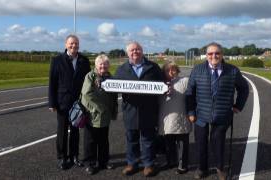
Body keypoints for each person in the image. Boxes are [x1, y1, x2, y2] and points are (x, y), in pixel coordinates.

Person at [186, 42, 249, 180]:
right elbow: (189, 92)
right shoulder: (197, 70)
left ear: (222, 54)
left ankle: (220, 168)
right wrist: (190, 112)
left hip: (222, 114)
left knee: (218, 142)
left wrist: (238, 105)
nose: (213, 56)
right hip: (201, 114)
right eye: (210, 53)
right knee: (201, 143)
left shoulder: (232, 71)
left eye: (217, 53)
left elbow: (244, 88)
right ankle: (202, 168)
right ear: (206, 55)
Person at [115, 41, 163, 177]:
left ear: (142, 51)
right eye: (132, 50)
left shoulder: (153, 67)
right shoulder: (122, 69)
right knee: (131, 139)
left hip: (149, 110)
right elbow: (114, 86)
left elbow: (162, 85)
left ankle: (148, 164)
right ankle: (132, 163)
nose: (135, 52)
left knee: (148, 139)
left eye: (137, 49)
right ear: (127, 53)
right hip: (130, 110)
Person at [48, 34, 90, 170]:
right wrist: (52, 103)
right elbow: (52, 83)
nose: (74, 46)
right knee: (62, 132)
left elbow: (88, 81)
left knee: (75, 131)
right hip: (62, 102)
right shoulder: (57, 60)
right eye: (71, 43)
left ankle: (74, 156)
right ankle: (62, 157)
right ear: (66, 45)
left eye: (76, 43)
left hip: (78, 103)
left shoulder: (84, 60)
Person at [80, 54, 118, 175]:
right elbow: (86, 94)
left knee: (104, 140)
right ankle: (90, 163)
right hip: (92, 114)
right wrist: (99, 108)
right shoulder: (90, 76)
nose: (103, 66)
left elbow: (113, 96)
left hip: (105, 115)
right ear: (96, 65)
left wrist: (113, 110)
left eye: (105, 64)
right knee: (90, 140)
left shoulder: (110, 77)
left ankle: (103, 161)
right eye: (101, 64)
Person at [158, 61, 191, 174]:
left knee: (182, 144)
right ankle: (171, 162)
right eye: (167, 70)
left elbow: (193, 97)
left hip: (181, 117)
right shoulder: (159, 84)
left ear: (177, 71)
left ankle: (183, 165)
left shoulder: (185, 81)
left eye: (173, 69)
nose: (171, 72)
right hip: (165, 118)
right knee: (168, 143)